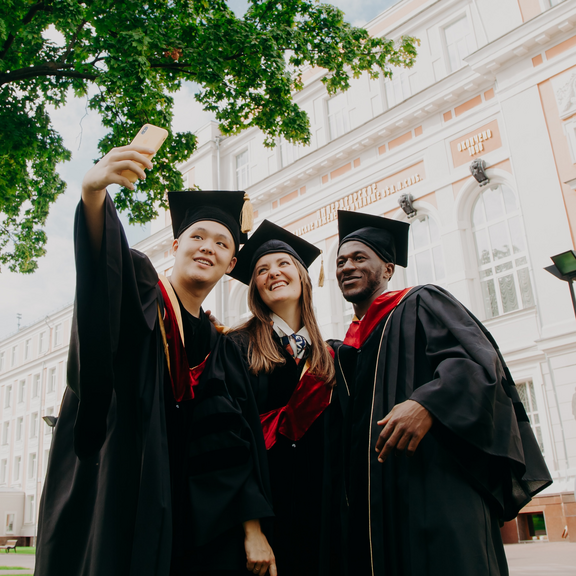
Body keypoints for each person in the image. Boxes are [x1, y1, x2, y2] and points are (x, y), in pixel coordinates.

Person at [35, 144, 276, 576]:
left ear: (231, 261)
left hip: (183, 513)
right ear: (176, 243)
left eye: (221, 242)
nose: (208, 247)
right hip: (116, 481)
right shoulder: (141, 288)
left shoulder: (220, 348)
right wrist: (93, 197)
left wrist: (251, 528)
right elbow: (100, 275)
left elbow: (232, 445)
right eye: (198, 237)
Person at [330, 209, 552, 576]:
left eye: (358, 258)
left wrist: (427, 403)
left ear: (387, 270)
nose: (347, 267)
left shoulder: (421, 302)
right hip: (381, 505)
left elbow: (477, 364)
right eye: (341, 261)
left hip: (437, 489)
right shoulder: (349, 349)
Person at [227, 220, 342, 576]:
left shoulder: (329, 358)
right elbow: (228, 442)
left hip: (325, 521)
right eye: (262, 269)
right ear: (254, 286)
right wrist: (252, 528)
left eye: (283, 264)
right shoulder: (237, 348)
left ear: (303, 276)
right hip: (266, 522)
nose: (273, 273)